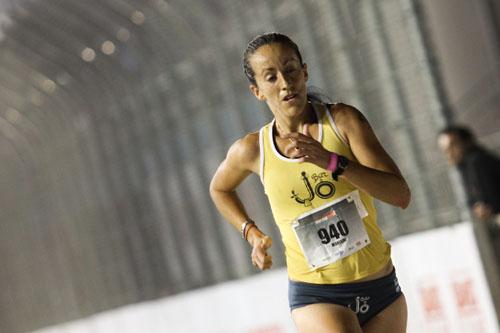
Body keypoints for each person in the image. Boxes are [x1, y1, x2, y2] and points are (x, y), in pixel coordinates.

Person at [210, 32, 411, 333]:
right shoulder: (252, 150)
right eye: (271, 77)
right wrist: (250, 232)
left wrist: (333, 162)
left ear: (305, 72)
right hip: (318, 295)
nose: (285, 83)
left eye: (290, 70)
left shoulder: (343, 121)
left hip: (381, 286)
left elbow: (400, 195)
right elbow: (220, 188)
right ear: (257, 91)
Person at [437, 125, 500, 260]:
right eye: (445, 150)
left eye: (453, 146)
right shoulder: (466, 166)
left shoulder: (476, 161)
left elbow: (488, 199)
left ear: (467, 142)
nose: (449, 153)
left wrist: (484, 206)